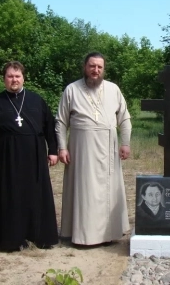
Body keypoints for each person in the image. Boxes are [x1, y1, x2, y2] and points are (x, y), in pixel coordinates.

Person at [0, 61, 58, 251]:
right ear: (4, 79)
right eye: (10, 76)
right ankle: (10, 238)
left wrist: (53, 151)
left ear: (24, 78)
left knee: (35, 194)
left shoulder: (36, 100)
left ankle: (39, 235)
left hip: (34, 155)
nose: (14, 80)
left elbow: (49, 127)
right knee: (10, 195)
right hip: (6, 157)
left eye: (17, 76)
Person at [56, 52, 132, 245]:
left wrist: (125, 143)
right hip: (82, 148)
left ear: (103, 69)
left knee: (109, 189)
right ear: (85, 67)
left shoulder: (113, 89)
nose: (95, 70)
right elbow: (61, 121)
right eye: (92, 66)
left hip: (109, 146)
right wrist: (63, 147)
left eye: (99, 67)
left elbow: (125, 118)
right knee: (85, 190)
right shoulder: (71, 90)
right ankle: (83, 235)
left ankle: (109, 233)